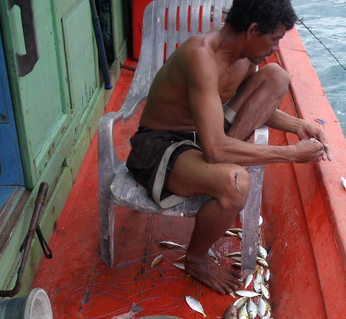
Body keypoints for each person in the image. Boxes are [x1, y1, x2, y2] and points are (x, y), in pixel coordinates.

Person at [127, 0, 331, 294]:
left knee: (277, 77)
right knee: (236, 183)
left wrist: (298, 125)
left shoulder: (246, 55)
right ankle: (196, 260)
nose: (275, 47)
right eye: (274, 38)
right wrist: (289, 154)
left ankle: (228, 160)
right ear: (252, 29)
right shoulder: (201, 57)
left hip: (205, 133)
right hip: (161, 145)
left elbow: (255, 106)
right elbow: (213, 149)